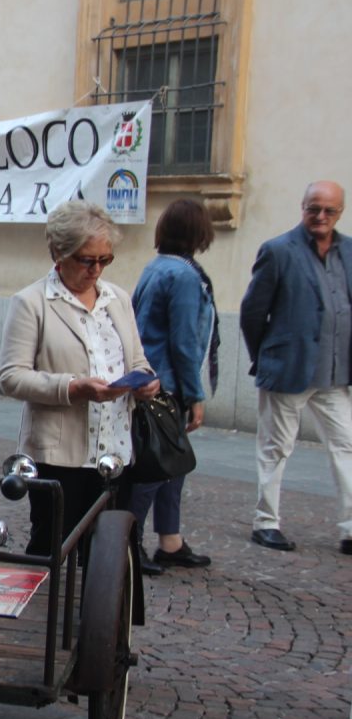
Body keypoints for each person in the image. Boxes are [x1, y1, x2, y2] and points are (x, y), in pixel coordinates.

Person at [0, 200, 160, 556]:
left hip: (116, 453)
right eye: (87, 260)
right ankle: (47, 596)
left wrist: (147, 382)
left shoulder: (118, 299)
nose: (96, 270)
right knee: (53, 549)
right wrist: (73, 388)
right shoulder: (32, 302)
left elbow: (138, 360)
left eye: (105, 259)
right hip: (60, 456)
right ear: (58, 253)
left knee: (111, 554)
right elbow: (11, 377)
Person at [240, 180, 352, 555]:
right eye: (313, 208)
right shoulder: (278, 250)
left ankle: (350, 528)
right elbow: (253, 312)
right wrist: (266, 357)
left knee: (347, 446)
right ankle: (266, 523)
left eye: (329, 210)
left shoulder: (349, 251)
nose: (320, 216)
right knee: (275, 448)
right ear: (302, 207)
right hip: (287, 370)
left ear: (340, 212)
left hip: (335, 374)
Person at [128, 199, 217, 575]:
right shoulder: (183, 276)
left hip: (152, 377)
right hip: (166, 384)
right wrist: (195, 395)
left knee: (172, 464)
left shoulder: (157, 266)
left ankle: (170, 540)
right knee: (154, 467)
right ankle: (129, 542)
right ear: (198, 233)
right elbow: (184, 340)